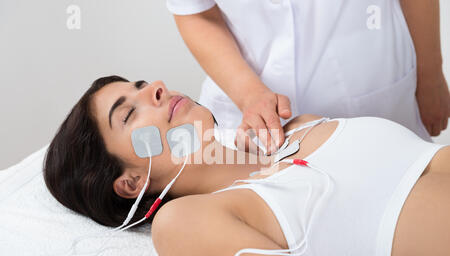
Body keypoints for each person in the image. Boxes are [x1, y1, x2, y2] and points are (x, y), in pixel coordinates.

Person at [44, 76, 450, 256]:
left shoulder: (296, 125)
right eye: (129, 112)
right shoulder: (185, 223)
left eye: (142, 84)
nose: (156, 88)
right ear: (131, 183)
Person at [166, 0, 450, 153]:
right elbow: (195, 11)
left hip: (375, 92)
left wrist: (430, 76)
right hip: (251, 115)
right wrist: (248, 93)